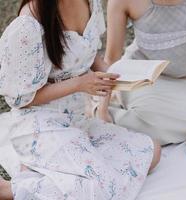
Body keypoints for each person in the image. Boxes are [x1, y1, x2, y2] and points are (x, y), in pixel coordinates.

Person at [0, 0, 160, 199]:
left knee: (150, 152)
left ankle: (43, 172)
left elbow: (89, 52)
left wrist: (117, 76)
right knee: (103, 187)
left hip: (76, 119)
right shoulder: (29, 24)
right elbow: (20, 99)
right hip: (39, 121)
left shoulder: (90, 3)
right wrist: (78, 84)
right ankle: (11, 190)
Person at [99, 0, 186, 145]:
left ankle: (130, 121)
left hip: (183, 79)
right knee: (150, 119)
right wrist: (103, 110)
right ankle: (112, 115)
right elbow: (112, 59)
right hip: (142, 77)